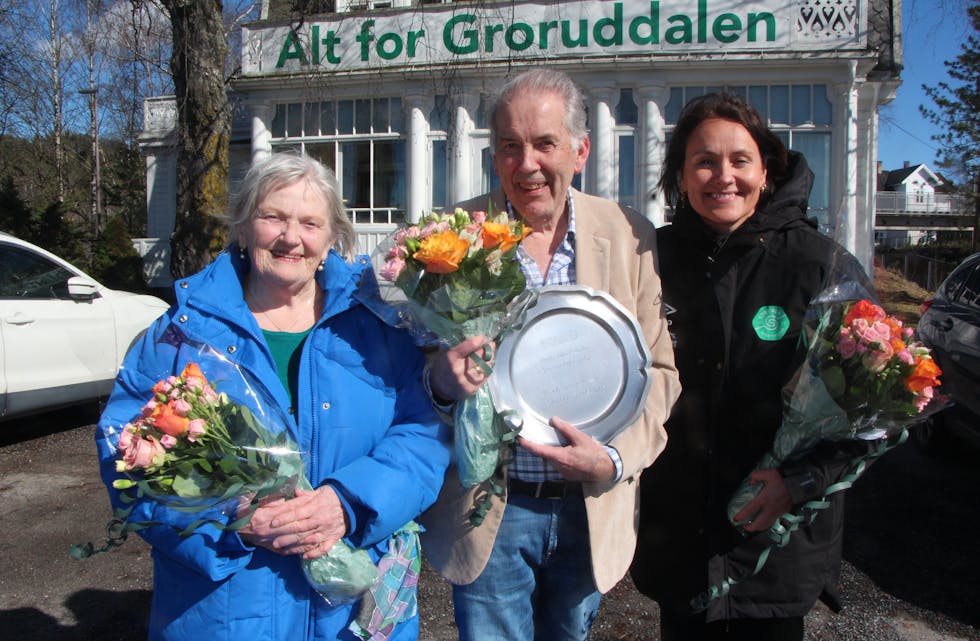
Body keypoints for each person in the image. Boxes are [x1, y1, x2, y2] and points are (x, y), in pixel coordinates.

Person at [95, 152, 452, 641]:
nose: (291, 237)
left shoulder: (380, 327)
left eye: (310, 222)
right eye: (273, 217)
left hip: (351, 612)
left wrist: (346, 503)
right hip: (224, 614)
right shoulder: (180, 333)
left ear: (331, 240)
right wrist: (229, 520)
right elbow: (124, 454)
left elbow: (423, 432)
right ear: (243, 228)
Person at [420, 69, 681, 641]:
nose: (527, 163)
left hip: (589, 507)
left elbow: (660, 374)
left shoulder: (629, 234)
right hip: (490, 507)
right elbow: (411, 372)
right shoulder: (449, 239)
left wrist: (613, 460)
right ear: (495, 156)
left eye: (545, 143)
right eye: (511, 146)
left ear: (580, 150)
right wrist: (440, 381)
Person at [629, 92, 873, 641]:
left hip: (775, 552)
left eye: (739, 160)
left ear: (766, 170)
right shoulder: (651, 262)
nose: (723, 176)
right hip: (681, 546)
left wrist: (800, 480)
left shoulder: (821, 266)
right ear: (682, 177)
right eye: (704, 161)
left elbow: (872, 411)